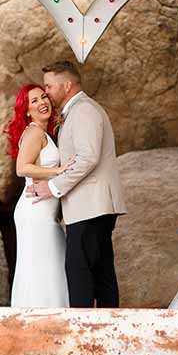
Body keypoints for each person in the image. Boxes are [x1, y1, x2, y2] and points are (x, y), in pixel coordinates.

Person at [28, 61, 126, 308]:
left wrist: (51, 188)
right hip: (91, 206)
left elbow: (88, 157)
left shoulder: (83, 110)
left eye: (50, 86)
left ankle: (82, 332)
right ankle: (107, 329)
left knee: (80, 274)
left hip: (89, 206)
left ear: (67, 85)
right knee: (101, 274)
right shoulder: (78, 111)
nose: (47, 92)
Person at [5, 84, 72, 308]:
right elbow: (22, 168)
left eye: (44, 97)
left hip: (43, 210)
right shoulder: (34, 132)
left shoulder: (44, 133)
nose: (42, 102)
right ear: (26, 110)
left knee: (47, 266)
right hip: (36, 210)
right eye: (34, 101)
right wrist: (58, 171)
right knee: (44, 268)